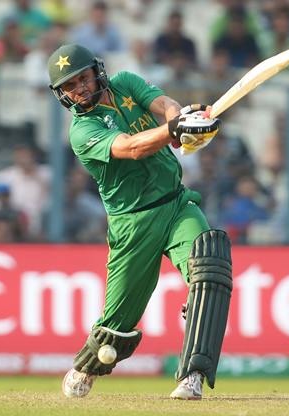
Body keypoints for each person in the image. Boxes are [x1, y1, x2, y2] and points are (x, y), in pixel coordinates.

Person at [47, 43, 231, 400]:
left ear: (96, 71)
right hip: (133, 224)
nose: (78, 88)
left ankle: (192, 375)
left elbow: (165, 105)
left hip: (177, 204)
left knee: (210, 268)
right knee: (114, 330)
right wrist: (174, 129)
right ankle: (86, 368)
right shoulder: (81, 132)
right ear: (62, 94)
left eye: (82, 78)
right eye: (69, 86)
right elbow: (131, 147)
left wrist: (180, 122)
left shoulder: (126, 82)